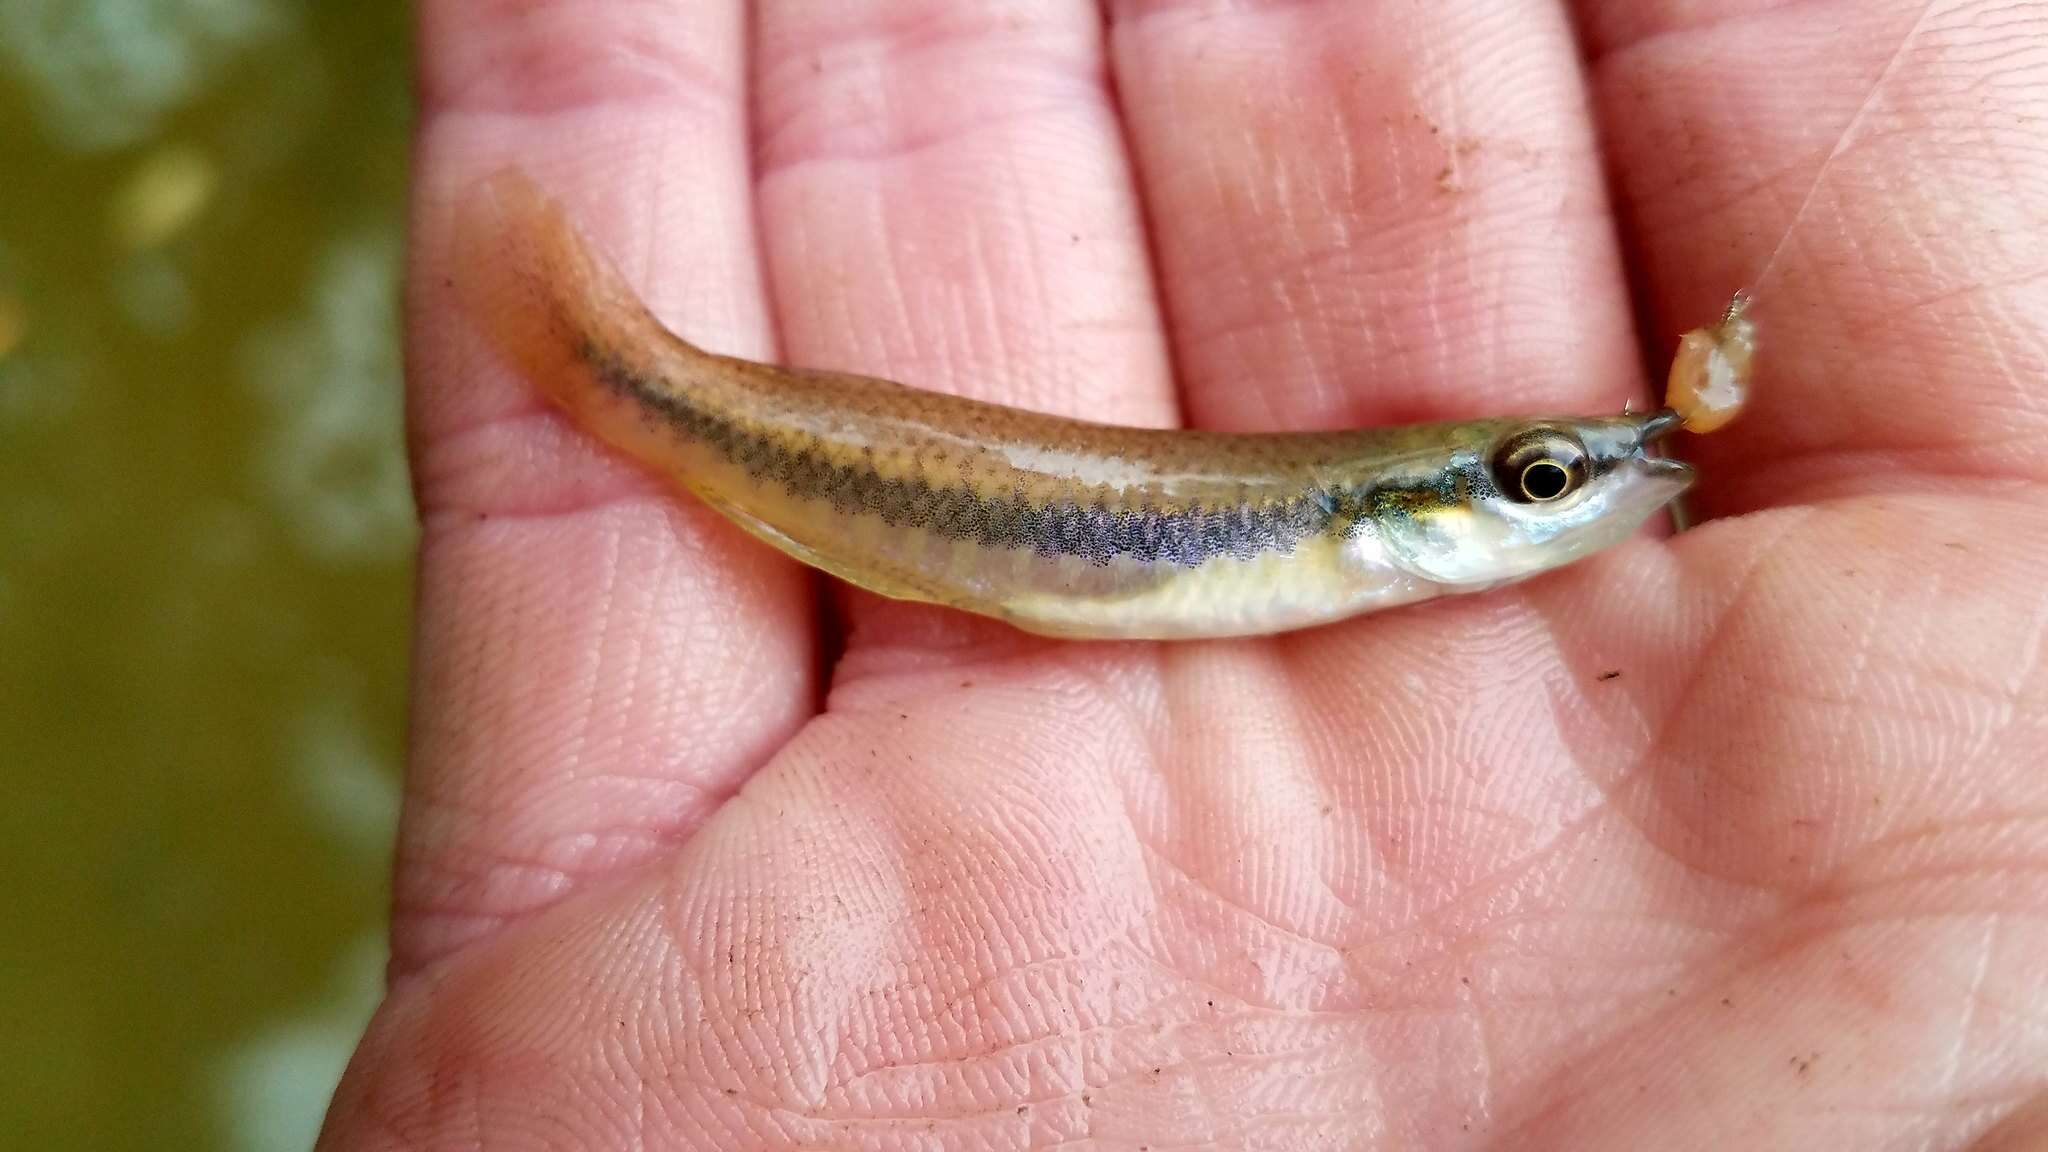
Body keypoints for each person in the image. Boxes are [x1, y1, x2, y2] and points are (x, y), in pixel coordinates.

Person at [320, 2, 2048, 1147]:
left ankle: (597, 347)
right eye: (1540, 483)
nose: (1594, 491)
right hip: (841, 456)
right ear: (1404, 511)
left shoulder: (1363, 546)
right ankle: (590, 349)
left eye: (1552, 481)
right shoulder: (1333, 534)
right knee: (706, 416)